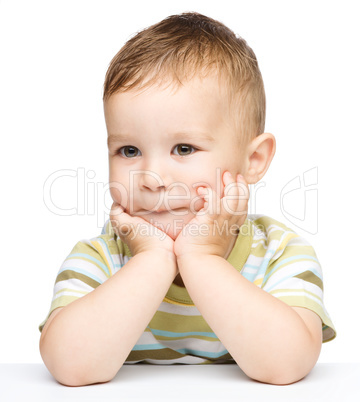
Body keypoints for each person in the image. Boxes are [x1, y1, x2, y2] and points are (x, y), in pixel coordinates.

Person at [39, 12, 336, 387]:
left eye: (184, 148)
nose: (152, 178)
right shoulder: (101, 257)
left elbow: (287, 365)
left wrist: (201, 257)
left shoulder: (280, 254)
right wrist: (151, 260)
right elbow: (70, 367)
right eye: (129, 151)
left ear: (253, 160)